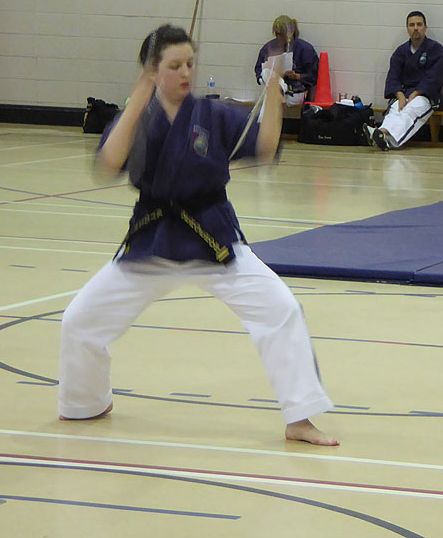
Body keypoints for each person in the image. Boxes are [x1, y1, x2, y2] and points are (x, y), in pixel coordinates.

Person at [59, 24, 338, 446]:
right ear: (152, 70)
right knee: (79, 321)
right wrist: (140, 94)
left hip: (211, 236)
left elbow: (265, 148)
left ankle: (299, 418)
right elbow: (108, 164)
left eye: (190, 63)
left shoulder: (212, 114)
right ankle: (86, 402)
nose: (186, 72)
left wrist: (274, 88)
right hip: (154, 238)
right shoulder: (138, 117)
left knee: (281, 309)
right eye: (174, 65)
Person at [365, 11, 443, 150]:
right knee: (395, 109)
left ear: (425, 28)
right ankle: (383, 137)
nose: (416, 28)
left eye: (419, 24)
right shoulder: (401, 51)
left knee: (411, 109)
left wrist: (416, 93)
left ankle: (382, 133)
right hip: (404, 93)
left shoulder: (436, 50)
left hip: (427, 96)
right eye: (412, 25)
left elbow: (435, 77)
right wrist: (400, 96)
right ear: (407, 29)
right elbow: (393, 76)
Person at [254, 15, 319, 107]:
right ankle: (279, 87)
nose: (279, 37)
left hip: (296, 92)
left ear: (290, 33)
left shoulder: (305, 49)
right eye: (277, 34)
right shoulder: (268, 48)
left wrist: (298, 76)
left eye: (281, 34)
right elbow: (259, 71)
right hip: (273, 89)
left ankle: (281, 89)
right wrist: (269, 76)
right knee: (266, 73)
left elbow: (314, 75)